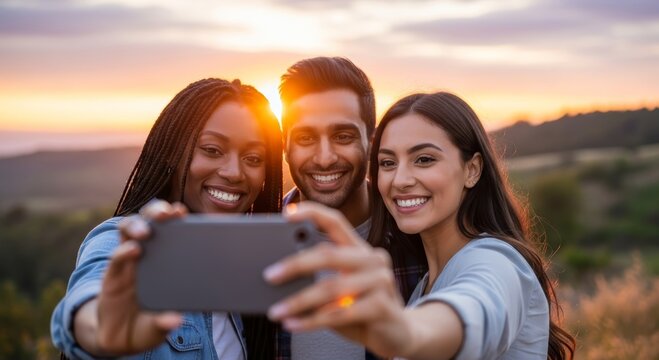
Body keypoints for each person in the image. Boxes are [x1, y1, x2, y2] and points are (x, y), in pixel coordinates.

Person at [265, 92, 576, 359]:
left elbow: (477, 306)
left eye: (424, 159)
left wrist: (406, 330)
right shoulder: (424, 284)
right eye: (388, 163)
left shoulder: (495, 261)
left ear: (472, 170)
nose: (400, 180)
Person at [51, 78, 283, 359]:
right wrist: (99, 328)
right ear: (173, 152)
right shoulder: (125, 240)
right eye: (212, 150)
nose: (235, 172)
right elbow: (92, 290)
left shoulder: (243, 269)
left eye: (254, 158)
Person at [254, 56, 426, 360]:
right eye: (306, 138)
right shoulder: (255, 245)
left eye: (342, 136)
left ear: (371, 141)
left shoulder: (419, 239)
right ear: (285, 146)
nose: (324, 158)